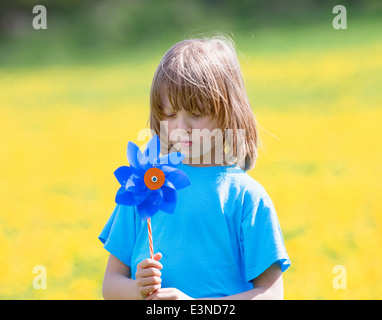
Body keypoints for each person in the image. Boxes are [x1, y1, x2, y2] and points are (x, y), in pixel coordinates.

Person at [99, 36, 290, 300]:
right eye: (169, 114)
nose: (181, 126)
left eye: (196, 113)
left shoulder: (247, 197)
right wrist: (137, 288)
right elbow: (110, 285)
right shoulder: (144, 186)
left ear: (228, 111)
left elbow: (271, 294)